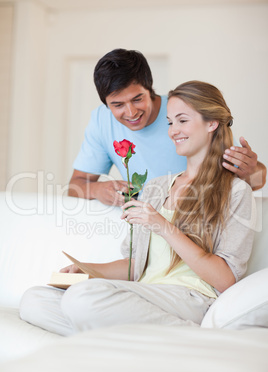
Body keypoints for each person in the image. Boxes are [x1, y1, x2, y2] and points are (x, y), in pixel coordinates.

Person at [20, 81, 256, 336]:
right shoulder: (157, 187)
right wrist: (88, 270)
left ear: (212, 123)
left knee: (83, 299)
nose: (173, 131)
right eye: (169, 122)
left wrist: (163, 226)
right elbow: (136, 266)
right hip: (144, 294)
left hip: (189, 298)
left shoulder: (235, 191)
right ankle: (140, 336)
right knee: (35, 300)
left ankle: (191, 337)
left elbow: (225, 279)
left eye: (182, 120)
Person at [68, 48, 266, 207]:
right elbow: (75, 185)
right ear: (106, 104)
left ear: (150, 88)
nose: (130, 112)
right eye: (117, 105)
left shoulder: (183, 111)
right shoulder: (101, 121)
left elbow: (247, 182)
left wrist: (252, 171)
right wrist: (97, 190)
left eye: (138, 99)